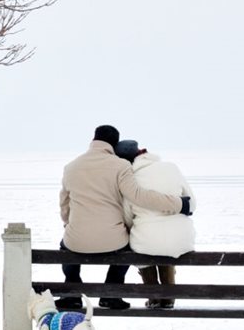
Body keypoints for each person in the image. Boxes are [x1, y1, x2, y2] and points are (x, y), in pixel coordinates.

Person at [58, 125, 188, 310]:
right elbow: (138, 196)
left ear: (94, 139)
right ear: (114, 144)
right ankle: (111, 293)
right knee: (128, 246)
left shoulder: (71, 167)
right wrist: (179, 204)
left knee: (65, 246)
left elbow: (65, 205)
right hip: (113, 242)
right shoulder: (121, 166)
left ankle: (71, 293)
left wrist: (68, 225)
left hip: (76, 240)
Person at [115, 139, 196, 308]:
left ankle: (154, 296)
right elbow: (192, 203)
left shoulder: (130, 180)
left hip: (146, 241)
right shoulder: (171, 168)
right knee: (166, 245)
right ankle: (168, 297)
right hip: (181, 238)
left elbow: (127, 217)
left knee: (144, 244)